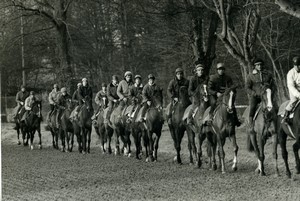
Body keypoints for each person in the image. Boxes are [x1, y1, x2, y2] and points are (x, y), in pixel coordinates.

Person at [246, 58, 274, 132]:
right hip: (256, 96)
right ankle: (251, 123)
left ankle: (277, 123)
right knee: (252, 107)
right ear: (255, 66)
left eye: (261, 64)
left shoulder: (268, 74)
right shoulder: (251, 76)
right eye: (258, 65)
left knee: (275, 106)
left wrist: (271, 92)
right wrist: (254, 93)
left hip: (266, 96)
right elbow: (247, 88)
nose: (260, 66)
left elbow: (273, 85)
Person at [282, 56, 300, 124]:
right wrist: (298, 94)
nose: (298, 67)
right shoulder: (290, 73)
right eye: (296, 65)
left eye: (299, 65)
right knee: (294, 101)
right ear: (294, 65)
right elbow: (291, 86)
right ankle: (286, 116)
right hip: (294, 92)